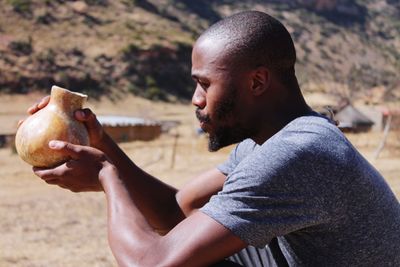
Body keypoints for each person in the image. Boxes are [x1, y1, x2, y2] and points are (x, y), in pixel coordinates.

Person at [28, 11, 399, 266]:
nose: (196, 99)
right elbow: (178, 209)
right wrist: (102, 144)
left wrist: (108, 176)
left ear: (256, 82)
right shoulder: (268, 141)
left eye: (205, 84)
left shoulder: (298, 152)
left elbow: (151, 262)